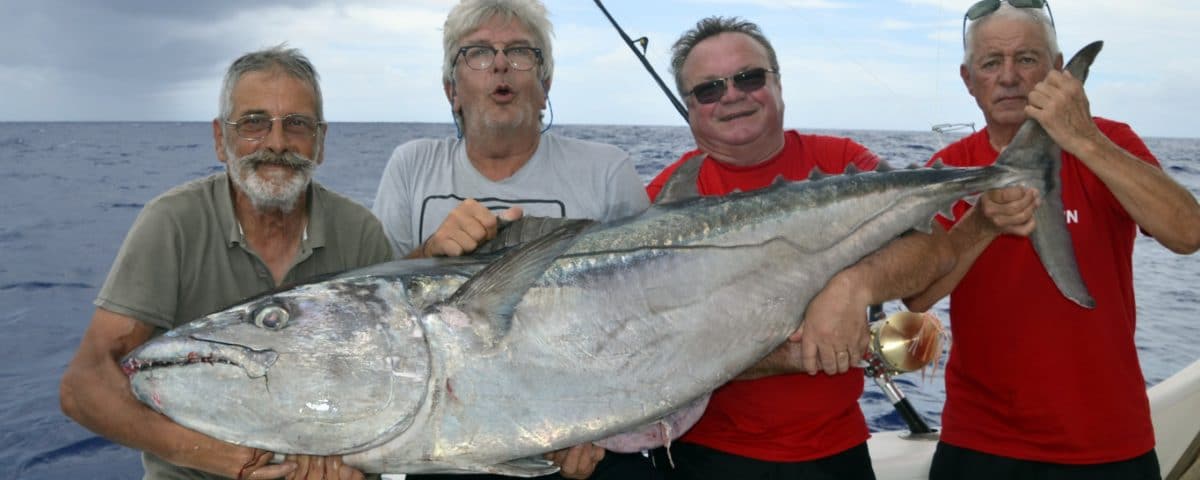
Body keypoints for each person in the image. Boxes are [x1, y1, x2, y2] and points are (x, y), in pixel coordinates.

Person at [643, 17, 957, 480]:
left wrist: (853, 286)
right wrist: (794, 353)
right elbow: (658, 354)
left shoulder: (843, 164)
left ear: (779, 83)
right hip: (701, 458)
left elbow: (936, 251)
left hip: (839, 451)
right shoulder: (659, 203)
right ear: (690, 107)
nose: (731, 95)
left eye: (748, 78)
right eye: (709, 89)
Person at [59, 46, 393, 480]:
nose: (276, 143)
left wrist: (351, 460)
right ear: (220, 139)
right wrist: (209, 454)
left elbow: (389, 381)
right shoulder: (172, 224)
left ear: (321, 142)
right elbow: (83, 386)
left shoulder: (361, 233)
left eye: (297, 124)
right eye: (254, 123)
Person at [903, 2, 1200, 479]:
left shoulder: (1111, 141)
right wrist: (981, 223)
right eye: (991, 63)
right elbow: (918, 294)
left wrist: (1083, 139)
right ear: (967, 78)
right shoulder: (947, 169)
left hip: (1110, 443)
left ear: (1058, 70)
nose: (1009, 77)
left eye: (1026, 59)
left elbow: (1188, 233)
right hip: (980, 444)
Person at [370, 1, 652, 479]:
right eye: (477, 52)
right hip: (440, 456)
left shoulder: (607, 171)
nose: (500, 64)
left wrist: (599, 422)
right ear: (451, 91)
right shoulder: (411, 165)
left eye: (521, 52)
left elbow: (650, 309)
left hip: (569, 445)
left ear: (545, 88)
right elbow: (375, 316)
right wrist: (427, 254)